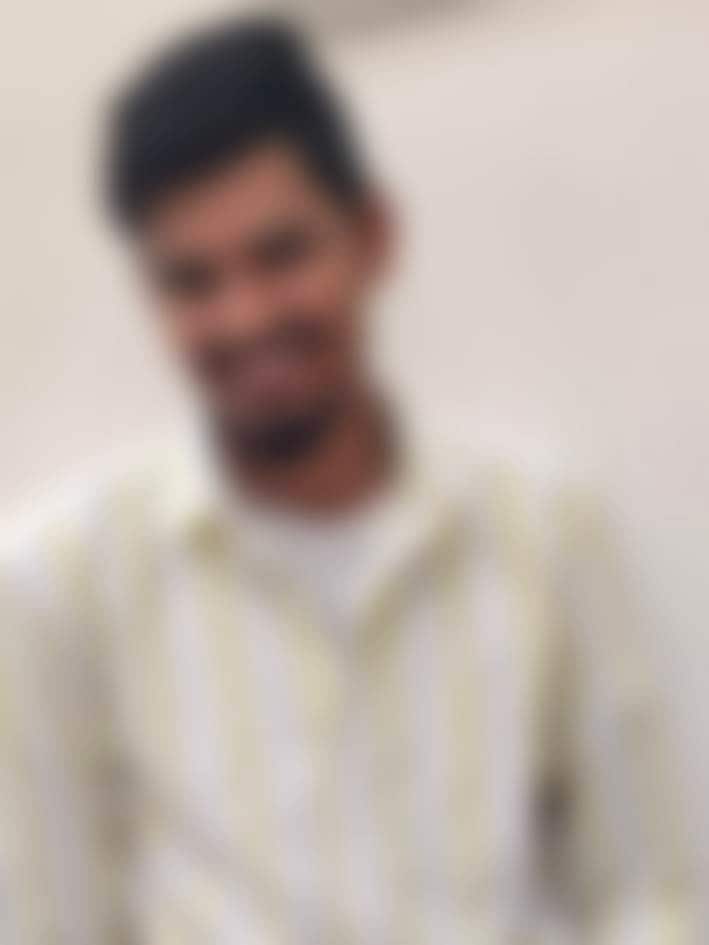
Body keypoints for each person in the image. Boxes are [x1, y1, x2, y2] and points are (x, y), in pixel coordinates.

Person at [0, 17, 698, 944]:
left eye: (280, 255)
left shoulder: (542, 532)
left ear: (370, 238)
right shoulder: (59, 587)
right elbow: (44, 921)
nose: (244, 316)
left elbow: (649, 890)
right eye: (192, 281)